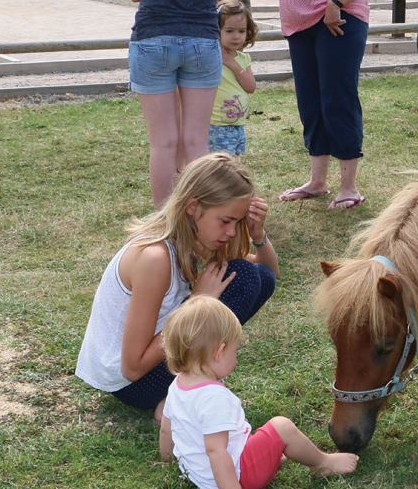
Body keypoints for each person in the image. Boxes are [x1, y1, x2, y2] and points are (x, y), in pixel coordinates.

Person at [76, 153, 278, 422]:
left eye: (237, 223)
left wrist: (258, 235)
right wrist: (196, 301)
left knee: (255, 276)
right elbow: (132, 368)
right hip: (131, 385)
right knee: (243, 277)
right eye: (226, 221)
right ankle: (185, 392)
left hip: (148, 368)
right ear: (193, 207)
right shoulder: (154, 258)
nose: (231, 232)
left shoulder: (194, 239)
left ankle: (185, 388)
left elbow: (269, 276)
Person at [159, 296, 359, 489]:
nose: (236, 356)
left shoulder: (177, 386)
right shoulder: (214, 398)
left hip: (200, 476)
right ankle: (322, 463)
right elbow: (216, 451)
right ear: (219, 353)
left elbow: (167, 429)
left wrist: (168, 459)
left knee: (258, 439)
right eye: (235, 351)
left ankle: (268, 459)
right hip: (236, 479)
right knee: (282, 427)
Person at [277, 0, 386, 211]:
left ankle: (349, 186)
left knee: (337, 98)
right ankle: (317, 181)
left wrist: (336, 1)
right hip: (300, 22)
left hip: (338, 20)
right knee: (310, 101)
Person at [125, 0, 232, 208]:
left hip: (154, 37)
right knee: (197, 141)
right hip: (202, 39)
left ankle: (164, 221)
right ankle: (200, 216)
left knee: (164, 144)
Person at [210, 0, 259, 155]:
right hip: (216, 125)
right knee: (222, 165)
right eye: (229, 31)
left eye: (241, 31)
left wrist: (233, 64)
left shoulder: (243, 59)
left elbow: (250, 87)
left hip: (238, 124)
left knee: (234, 164)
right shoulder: (212, 56)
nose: (236, 36)